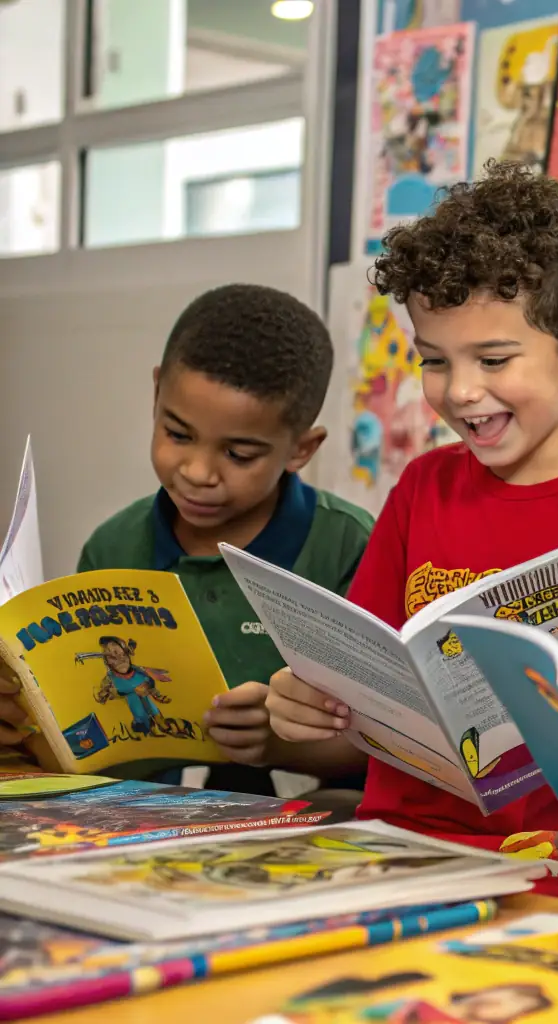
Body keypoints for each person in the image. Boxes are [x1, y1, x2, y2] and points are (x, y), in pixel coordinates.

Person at [262, 163, 558, 868]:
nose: (460, 391)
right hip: (402, 852)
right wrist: (305, 704)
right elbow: (363, 691)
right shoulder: (423, 487)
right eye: (434, 361)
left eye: (492, 360)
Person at [0, 284, 375, 797]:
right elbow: (78, 728)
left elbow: (384, 739)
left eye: (239, 455)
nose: (198, 472)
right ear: (156, 395)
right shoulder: (114, 546)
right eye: (178, 434)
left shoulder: (347, 545)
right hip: (125, 815)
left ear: (301, 449)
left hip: (299, 818)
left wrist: (279, 744)